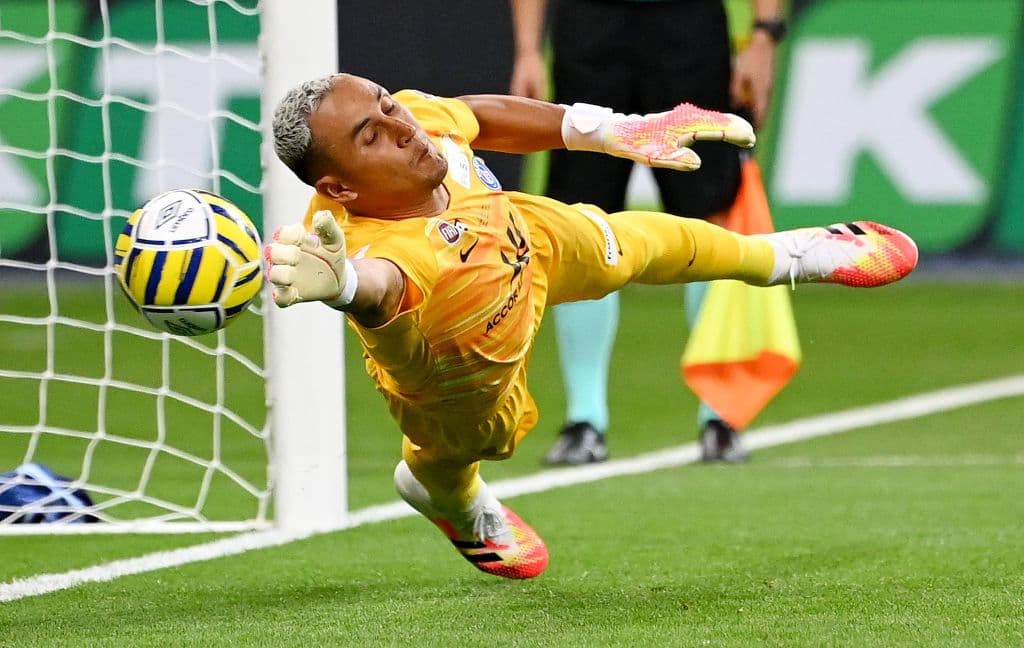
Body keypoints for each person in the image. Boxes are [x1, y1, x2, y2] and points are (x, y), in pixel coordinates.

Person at [266, 72, 917, 579]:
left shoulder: (416, 122)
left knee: (633, 241)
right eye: (370, 136)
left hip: (520, 236)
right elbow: (382, 289)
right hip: (456, 361)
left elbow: (473, 114)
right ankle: (449, 498)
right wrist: (347, 286)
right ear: (340, 188)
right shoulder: (372, 246)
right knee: (472, 445)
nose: (400, 125)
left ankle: (792, 255)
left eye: (385, 104)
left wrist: (610, 131)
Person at [509, 0, 786, 464]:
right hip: (589, 31)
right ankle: (585, 419)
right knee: (581, 223)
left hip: (687, 31)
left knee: (710, 214)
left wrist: (764, 35)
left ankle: (720, 415)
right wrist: (527, 50)